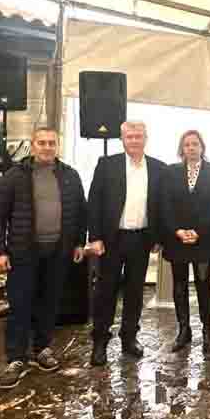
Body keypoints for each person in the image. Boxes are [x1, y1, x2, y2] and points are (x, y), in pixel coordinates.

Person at [0, 127, 86, 389]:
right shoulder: (15, 175)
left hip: (58, 252)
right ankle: (16, 358)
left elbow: (81, 211)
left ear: (57, 146)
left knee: (49, 303)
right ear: (32, 146)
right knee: (20, 305)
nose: (47, 147)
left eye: (51, 143)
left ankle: (42, 348)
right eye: (42, 142)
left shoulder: (70, 176)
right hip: (23, 252)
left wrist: (79, 242)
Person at [88, 121, 166, 366]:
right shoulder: (106, 165)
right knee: (106, 291)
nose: (134, 140)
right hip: (111, 239)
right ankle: (100, 341)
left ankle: (129, 337)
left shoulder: (158, 168)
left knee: (134, 292)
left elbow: (161, 206)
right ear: (122, 139)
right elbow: (94, 201)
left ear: (146, 138)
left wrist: (158, 238)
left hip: (141, 239)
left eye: (138, 136)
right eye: (129, 137)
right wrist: (95, 237)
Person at [161, 130, 210, 353]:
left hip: (203, 239)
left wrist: (199, 231)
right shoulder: (171, 171)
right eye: (187, 144)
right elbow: (165, 204)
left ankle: (208, 331)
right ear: (182, 149)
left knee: (203, 285)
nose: (191, 148)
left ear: (202, 147)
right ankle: (184, 330)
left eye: (195, 144)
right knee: (179, 286)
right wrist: (177, 230)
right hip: (177, 239)